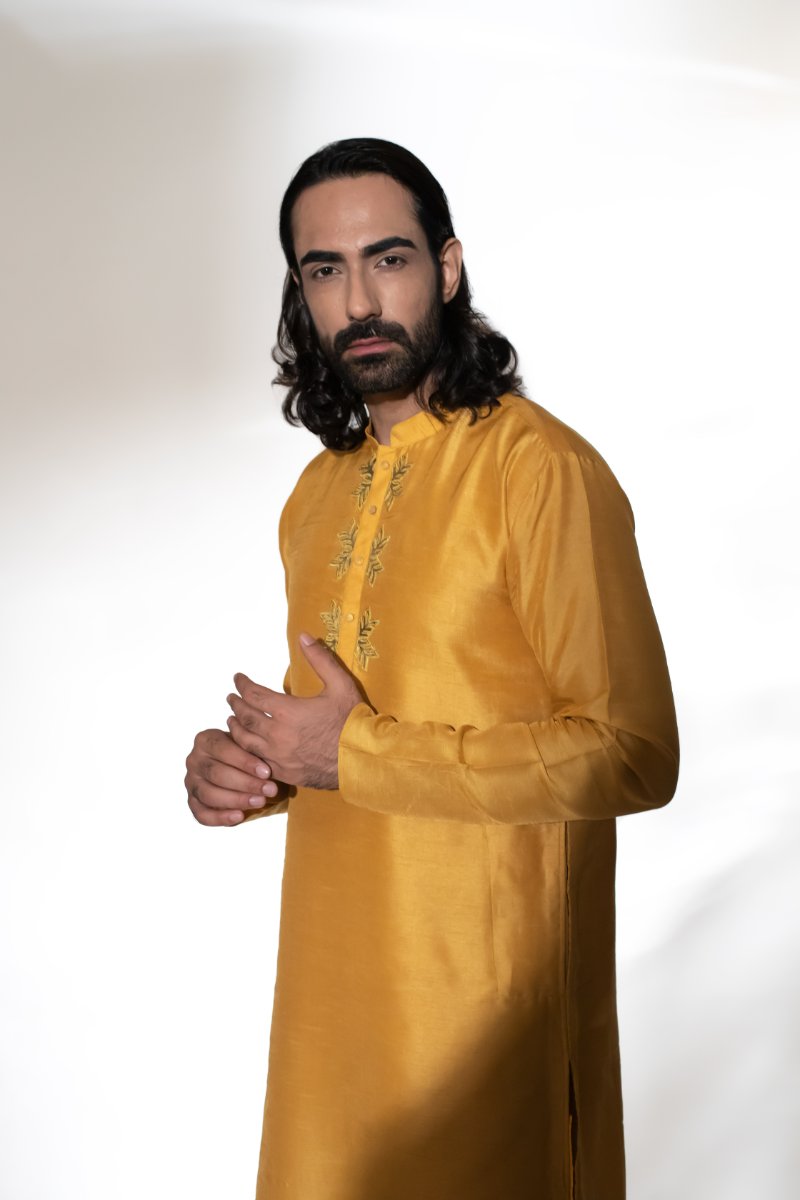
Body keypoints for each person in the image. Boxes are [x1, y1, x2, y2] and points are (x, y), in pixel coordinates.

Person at [184, 137, 679, 1200]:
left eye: (389, 259)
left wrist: (355, 753)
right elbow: (348, 728)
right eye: (325, 270)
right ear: (301, 293)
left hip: (486, 1034)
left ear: (447, 269)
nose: (359, 300)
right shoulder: (316, 495)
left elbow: (632, 753)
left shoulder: (539, 470)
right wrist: (256, 771)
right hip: (328, 1022)